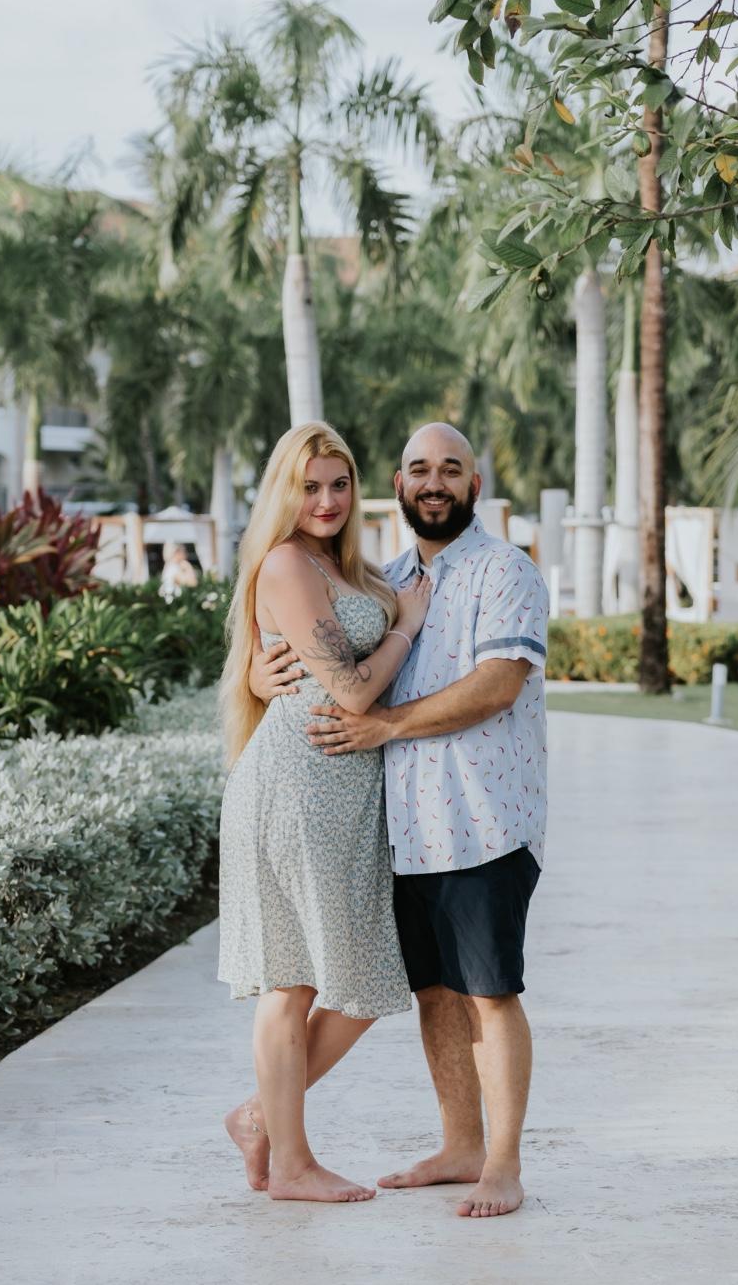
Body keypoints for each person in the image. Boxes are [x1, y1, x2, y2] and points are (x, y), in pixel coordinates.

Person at [252, 423, 549, 1219]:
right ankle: (459, 1146)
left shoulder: (504, 570)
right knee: (435, 994)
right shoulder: (384, 578)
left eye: (451, 469)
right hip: (404, 828)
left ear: (474, 486)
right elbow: (312, 644)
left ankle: (502, 1166)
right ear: (398, 484)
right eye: (420, 469)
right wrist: (257, 666)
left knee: (490, 993)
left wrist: (384, 725)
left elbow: (498, 684)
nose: (434, 482)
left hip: (483, 820)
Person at [216, 421, 432, 1204]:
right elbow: (350, 689)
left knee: (362, 975)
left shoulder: (342, 566)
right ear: (286, 492)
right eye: (310, 487)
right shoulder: (285, 562)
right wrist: (404, 625)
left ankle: (259, 1119)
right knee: (294, 980)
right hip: (295, 789)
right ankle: (291, 1164)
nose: (328, 500)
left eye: (340, 484)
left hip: (343, 794)